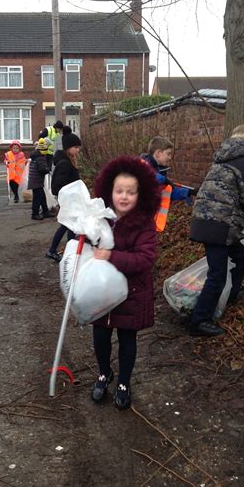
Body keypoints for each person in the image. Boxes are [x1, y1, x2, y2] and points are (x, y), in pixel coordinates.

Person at [188, 124, 244, 337]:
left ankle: (232, 294)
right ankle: (199, 320)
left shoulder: (222, 158)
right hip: (220, 224)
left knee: (241, 255)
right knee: (217, 274)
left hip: (207, 220)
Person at [90, 155, 161, 410]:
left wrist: (110, 256)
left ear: (139, 195)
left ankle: (124, 381)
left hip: (131, 293)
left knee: (127, 339)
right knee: (100, 335)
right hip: (101, 291)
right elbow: (87, 243)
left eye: (130, 192)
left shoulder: (144, 224)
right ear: (110, 191)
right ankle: (104, 372)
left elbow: (144, 259)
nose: (124, 196)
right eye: (119, 191)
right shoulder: (99, 218)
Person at [141, 136, 195, 232]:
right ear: (158, 153)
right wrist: (163, 179)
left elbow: (169, 192)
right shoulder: (141, 165)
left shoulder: (159, 171)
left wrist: (189, 192)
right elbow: (145, 175)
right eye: (168, 154)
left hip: (148, 223)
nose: (170, 157)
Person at [46, 130, 82, 261]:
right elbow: (57, 185)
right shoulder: (65, 164)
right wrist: (70, 194)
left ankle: (67, 251)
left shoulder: (67, 161)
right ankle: (56, 250)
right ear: (68, 148)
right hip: (68, 200)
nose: (78, 150)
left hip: (70, 200)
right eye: (76, 147)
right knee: (68, 225)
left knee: (69, 225)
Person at [27, 138, 56, 220]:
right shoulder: (40, 157)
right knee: (37, 198)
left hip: (35, 180)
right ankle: (34, 214)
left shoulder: (36, 155)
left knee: (42, 196)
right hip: (36, 181)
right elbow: (42, 169)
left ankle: (45, 211)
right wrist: (48, 170)